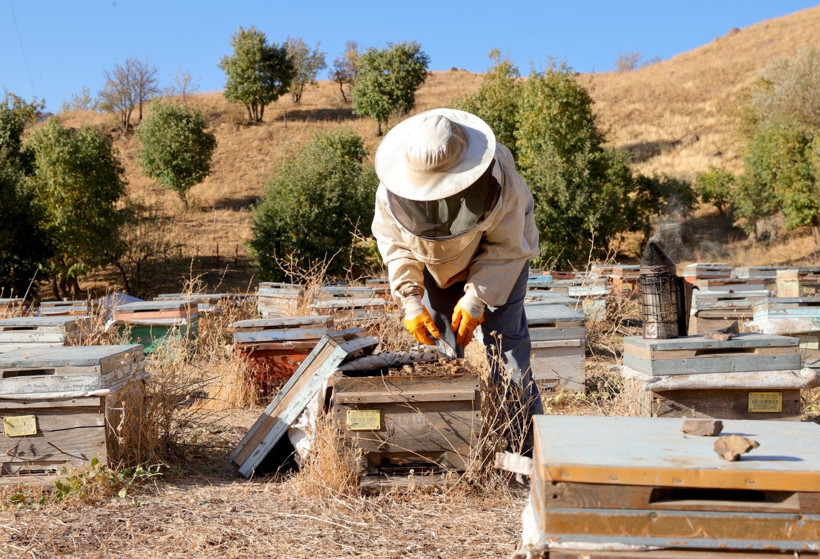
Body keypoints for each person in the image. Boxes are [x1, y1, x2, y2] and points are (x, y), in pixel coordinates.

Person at [371, 108, 544, 452]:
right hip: (433, 266)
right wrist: (410, 300)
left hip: (500, 259)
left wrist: (477, 297)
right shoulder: (391, 192)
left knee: (507, 349)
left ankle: (526, 445)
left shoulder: (502, 181)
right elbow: (396, 246)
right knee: (440, 350)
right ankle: (446, 443)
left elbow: (507, 248)